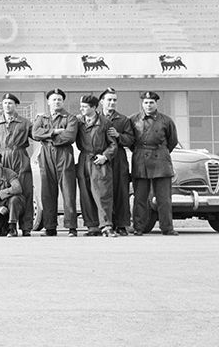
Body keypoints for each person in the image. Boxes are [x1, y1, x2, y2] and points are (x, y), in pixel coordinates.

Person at [130, 91, 180, 235]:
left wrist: (161, 153)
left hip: (161, 161)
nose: (148, 105)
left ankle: (167, 227)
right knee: (140, 197)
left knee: (164, 198)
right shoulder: (134, 119)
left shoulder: (166, 120)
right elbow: (130, 140)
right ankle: (139, 227)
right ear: (142, 104)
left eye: (151, 102)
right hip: (141, 160)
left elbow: (172, 141)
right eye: (146, 102)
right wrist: (140, 151)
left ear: (156, 104)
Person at [31, 89, 79, 236]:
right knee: (47, 192)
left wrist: (46, 136)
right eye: (54, 99)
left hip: (64, 154)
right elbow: (34, 133)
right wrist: (53, 132)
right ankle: (50, 227)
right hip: (45, 154)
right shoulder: (42, 118)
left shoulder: (70, 118)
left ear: (63, 101)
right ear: (48, 101)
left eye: (59, 99)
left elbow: (69, 136)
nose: (56, 102)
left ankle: (71, 227)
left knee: (68, 191)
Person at [0, 92, 34, 235]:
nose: (7, 105)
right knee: (5, 193)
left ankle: (26, 227)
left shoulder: (25, 123)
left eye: (10, 103)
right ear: (2, 105)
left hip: (20, 158)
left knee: (25, 192)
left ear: (16, 105)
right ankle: (8, 226)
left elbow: (37, 134)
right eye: (5, 103)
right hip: (2, 159)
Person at [75, 94, 117, 236]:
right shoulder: (78, 121)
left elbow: (113, 144)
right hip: (83, 160)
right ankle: (92, 226)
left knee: (102, 194)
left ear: (93, 107)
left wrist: (105, 156)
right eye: (81, 106)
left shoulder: (104, 123)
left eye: (85, 107)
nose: (82, 109)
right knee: (85, 194)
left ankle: (106, 225)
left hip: (99, 161)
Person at [99, 88, 135, 236]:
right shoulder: (95, 117)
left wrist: (119, 135)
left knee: (121, 192)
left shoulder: (123, 120)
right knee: (103, 193)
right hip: (101, 158)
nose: (112, 102)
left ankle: (121, 224)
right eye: (109, 99)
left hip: (119, 159)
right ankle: (104, 224)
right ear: (102, 101)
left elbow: (131, 140)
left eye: (114, 100)